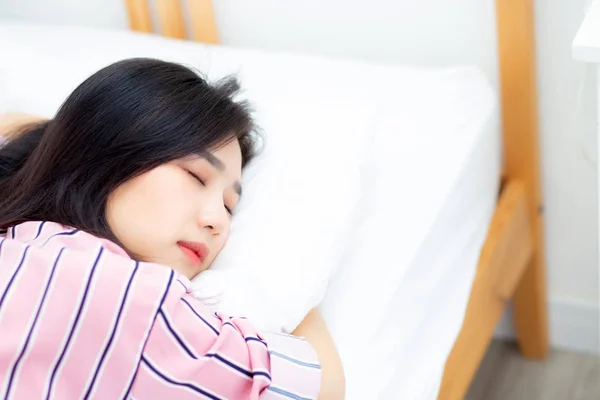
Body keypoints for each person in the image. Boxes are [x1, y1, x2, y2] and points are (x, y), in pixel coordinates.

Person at [0, 58, 345, 399]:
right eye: (195, 176)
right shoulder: (129, 296)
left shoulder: (24, 243)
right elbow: (321, 389)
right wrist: (295, 277)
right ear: (106, 152)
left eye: (229, 206)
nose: (218, 221)